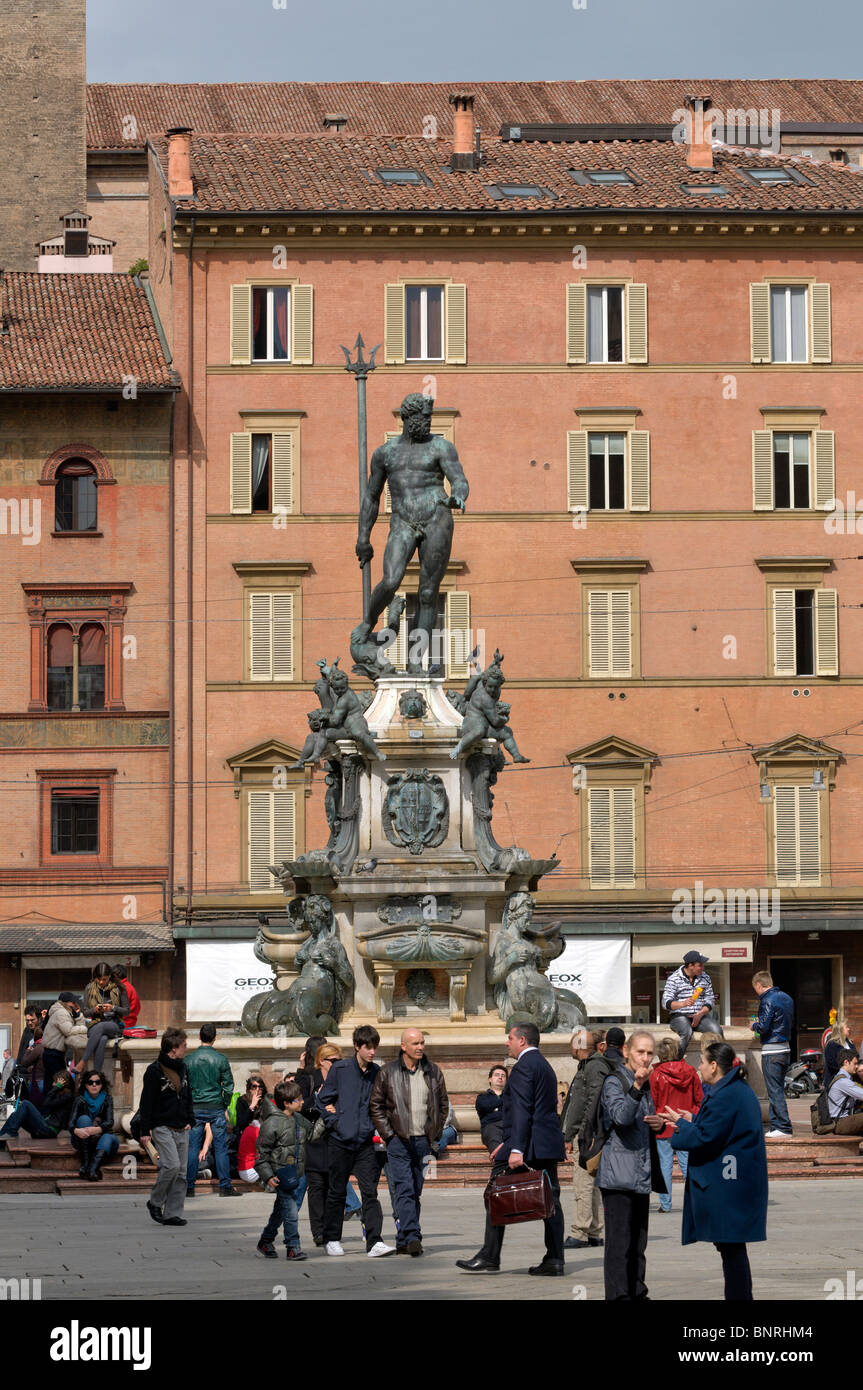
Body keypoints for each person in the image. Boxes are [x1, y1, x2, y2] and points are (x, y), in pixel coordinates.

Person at [353, 391, 469, 677]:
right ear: (407, 418)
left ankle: (415, 661)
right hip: (402, 520)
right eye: (423, 417)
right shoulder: (385, 454)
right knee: (391, 580)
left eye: (430, 417)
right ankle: (367, 625)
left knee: (428, 593)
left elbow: (459, 480)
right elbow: (371, 497)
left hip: (437, 517)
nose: (428, 422)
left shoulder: (442, 447)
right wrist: (363, 537)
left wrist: (458, 496)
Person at [649, 1040, 768, 1301]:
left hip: (730, 1183)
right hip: (735, 1180)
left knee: (732, 1249)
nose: (698, 1066)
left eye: (702, 1061)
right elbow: (717, 1126)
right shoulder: (732, 1090)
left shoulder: (727, 1094)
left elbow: (706, 1137)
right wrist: (692, 1119)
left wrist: (681, 1125)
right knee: (731, 1248)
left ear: (714, 1066)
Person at [456, 1022, 566, 1277]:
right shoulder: (545, 1065)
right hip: (545, 1144)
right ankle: (555, 1258)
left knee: (495, 1194)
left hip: (528, 1146)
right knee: (551, 1202)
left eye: (510, 1038)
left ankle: (490, 1256)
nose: (507, 1042)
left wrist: (515, 1148)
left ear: (522, 1041)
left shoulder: (523, 1067)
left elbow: (522, 1110)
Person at [595, 1030, 665, 1301]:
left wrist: (657, 1124)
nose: (645, 1058)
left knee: (638, 1241)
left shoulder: (645, 1082)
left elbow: (640, 1122)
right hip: (617, 1173)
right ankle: (618, 1295)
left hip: (640, 1171)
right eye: (640, 1052)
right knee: (619, 1242)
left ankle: (638, 1291)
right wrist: (636, 1088)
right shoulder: (615, 1081)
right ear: (626, 1051)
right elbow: (621, 1118)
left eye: (650, 1053)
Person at [316, 1024, 394, 1258]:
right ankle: (332, 1238)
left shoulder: (377, 1072)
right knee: (336, 1191)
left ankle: (374, 1242)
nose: (372, 1052)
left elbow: (381, 1104)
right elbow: (322, 1100)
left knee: (370, 1193)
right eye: (368, 1047)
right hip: (340, 1141)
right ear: (357, 1047)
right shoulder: (340, 1070)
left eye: (375, 1047)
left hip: (365, 1144)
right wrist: (334, 1121)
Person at [370, 1028, 449, 1257]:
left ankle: (404, 1240)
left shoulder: (433, 1071)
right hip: (399, 1142)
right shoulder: (388, 1072)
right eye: (415, 1043)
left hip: (424, 1142)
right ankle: (414, 1235)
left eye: (422, 1042)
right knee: (404, 1188)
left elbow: (443, 1105)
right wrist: (389, 1135)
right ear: (403, 1046)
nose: (420, 1047)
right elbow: (376, 1106)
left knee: (415, 1190)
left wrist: (435, 1133)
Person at [302, 1044, 361, 1247]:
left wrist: (335, 1108)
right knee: (316, 1187)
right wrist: (318, 1102)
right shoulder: (309, 1078)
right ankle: (318, 1231)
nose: (336, 1064)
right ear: (321, 1061)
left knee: (334, 1187)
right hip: (315, 1140)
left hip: (337, 1138)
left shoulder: (344, 1079)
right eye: (332, 1061)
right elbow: (300, 1106)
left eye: (339, 1060)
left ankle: (331, 1231)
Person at [139, 1026, 195, 1227]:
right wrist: (145, 1130)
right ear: (173, 1048)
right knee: (171, 1165)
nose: (186, 1049)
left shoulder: (184, 1067)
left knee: (181, 1173)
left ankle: (172, 1213)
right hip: (162, 1125)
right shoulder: (154, 1070)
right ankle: (155, 1201)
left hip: (182, 1126)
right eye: (184, 1046)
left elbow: (188, 1095)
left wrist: (191, 1119)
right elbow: (146, 1102)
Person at [255, 1080, 314, 1261]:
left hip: (294, 1173)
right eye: (298, 1099)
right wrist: (268, 1176)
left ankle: (265, 1240)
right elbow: (260, 1154)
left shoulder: (297, 1118)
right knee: (290, 1212)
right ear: (287, 1103)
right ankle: (292, 1247)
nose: (302, 1102)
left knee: (281, 1211)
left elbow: (312, 1133)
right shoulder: (272, 1123)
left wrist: (327, 1119)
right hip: (280, 1174)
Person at [562, 1029, 607, 1250]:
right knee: (592, 1185)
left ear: (579, 1046)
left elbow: (591, 1102)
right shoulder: (587, 1066)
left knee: (583, 1185)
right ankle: (595, 1231)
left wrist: (582, 1133)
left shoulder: (594, 1066)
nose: (569, 1047)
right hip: (586, 1134)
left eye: (571, 1044)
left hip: (587, 1136)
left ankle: (579, 1232)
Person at [185, 1023, 240, 1198]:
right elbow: (229, 1086)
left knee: (193, 1147)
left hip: (196, 1106)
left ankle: (189, 1186)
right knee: (220, 1147)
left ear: (199, 1037)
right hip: (215, 1106)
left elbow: (183, 1087)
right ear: (215, 1038)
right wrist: (224, 1103)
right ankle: (225, 1186)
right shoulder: (221, 1059)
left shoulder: (189, 1060)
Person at [649, 1037, 703, 1212]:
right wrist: (689, 1115)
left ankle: (665, 1204)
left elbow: (652, 1103)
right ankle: (695, 1201)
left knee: (665, 1165)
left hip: (664, 1124)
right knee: (687, 1165)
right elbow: (699, 1099)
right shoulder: (691, 1071)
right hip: (684, 1123)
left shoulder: (656, 1075)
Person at [750, 970, 794, 1138]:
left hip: (772, 1050)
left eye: (756, 988)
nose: (756, 992)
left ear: (759, 985)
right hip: (785, 1048)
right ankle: (776, 1126)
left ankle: (783, 1127)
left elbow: (763, 1027)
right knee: (777, 1089)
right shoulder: (787, 998)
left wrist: (754, 1025)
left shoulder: (767, 999)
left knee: (774, 1091)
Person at [662, 951, 725, 1059]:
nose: (703, 968)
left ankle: (718, 1061)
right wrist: (683, 1003)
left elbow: (710, 1000)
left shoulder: (705, 978)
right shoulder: (674, 978)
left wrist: (700, 1014)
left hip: (700, 1015)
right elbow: (665, 1002)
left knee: (717, 1031)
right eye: (700, 965)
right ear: (690, 966)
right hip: (679, 1015)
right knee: (686, 1032)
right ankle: (676, 1062)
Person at [0, 1068, 76, 1146]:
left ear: (63, 1083)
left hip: (49, 1131)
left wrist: (56, 1088)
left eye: (55, 1082)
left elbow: (46, 1103)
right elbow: (47, 1103)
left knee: (26, 1104)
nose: (53, 1084)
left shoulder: (68, 1096)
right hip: (45, 1126)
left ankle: (11, 1133)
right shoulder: (61, 1095)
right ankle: (1, 1139)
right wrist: (56, 1088)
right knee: (16, 1114)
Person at [68, 1070, 120, 1181]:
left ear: (102, 1084)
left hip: (102, 1140)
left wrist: (96, 1129)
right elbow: (70, 1124)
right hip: (82, 1140)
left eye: (97, 1082)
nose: (94, 1085)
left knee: (108, 1137)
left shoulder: (107, 1099)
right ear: (86, 1085)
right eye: (90, 1082)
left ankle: (92, 1169)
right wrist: (77, 1131)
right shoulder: (79, 1100)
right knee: (84, 1119)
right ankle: (86, 1163)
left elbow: (110, 1122)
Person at [80, 963, 130, 1073]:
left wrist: (113, 1008)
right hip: (95, 1023)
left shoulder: (119, 988)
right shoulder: (89, 988)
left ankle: (83, 1061)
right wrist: (95, 1010)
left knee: (102, 1026)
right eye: (99, 979)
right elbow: (85, 1013)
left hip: (114, 1024)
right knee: (102, 1039)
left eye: (104, 979)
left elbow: (127, 1011)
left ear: (110, 976)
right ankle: (97, 1075)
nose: (101, 982)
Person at [41, 993, 88, 1094]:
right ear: (66, 1003)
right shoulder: (61, 1012)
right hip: (53, 1055)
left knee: (50, 1085)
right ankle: (59, 1108)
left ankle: (47, 1108)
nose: (76, 1004)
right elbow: (68, 1030)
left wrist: (78, 1015)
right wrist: (84, 1029)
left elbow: (74, 1028)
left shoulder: (63, 1011)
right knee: (65, 1084)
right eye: (73, 1002)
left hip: (52, 1054)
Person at [8, 1004, 40, 1101]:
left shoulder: (43, 1031)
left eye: (32, 1020)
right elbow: (21, 1050)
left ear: (39, 1018)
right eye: (27, 1020)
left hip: (36, 1076)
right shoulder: (27, 1030)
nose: (29, 1023)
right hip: (23, 1074)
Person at [825, 1053, 863, 1135]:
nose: (856, 1067)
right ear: (846, 1062)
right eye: (855, 1063)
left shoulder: (841, 1077)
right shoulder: (843, 1082)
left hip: (839, 1121)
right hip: (840, 1123)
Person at [475, 1064, 507, 1153]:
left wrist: (494, 1110)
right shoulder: (482, 1097)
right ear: (490, 1079)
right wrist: (504, 1106)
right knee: (494, 1137)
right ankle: (499, 1163)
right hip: (491, 1127)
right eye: (497, 1075)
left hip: (509, 1126)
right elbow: (485, 1106)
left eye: (503, 1076)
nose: (500, 1077)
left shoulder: (511, 1096)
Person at [824, 1019, 859, 1089]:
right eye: (846, 1027)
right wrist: (847, 1069)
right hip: (837, 1080)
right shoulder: (832, 1045)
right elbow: (832, 1064)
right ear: (840, 1030)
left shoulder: (850, 1043)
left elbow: (856, 1058)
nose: (849, 1029)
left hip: (852, 1078)